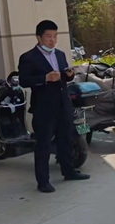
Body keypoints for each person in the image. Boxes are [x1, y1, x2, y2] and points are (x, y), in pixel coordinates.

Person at [19, 20, 90, 193]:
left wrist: (68, 75)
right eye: (48, 36)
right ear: (39, 37)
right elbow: (23, 81)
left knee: (65, 138)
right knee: (43, 144)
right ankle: (43, 181)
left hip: (63, 103)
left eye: (55, 36)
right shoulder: (28, 57)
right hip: (44, 107)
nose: (52, 40)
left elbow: (63, 79)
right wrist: (44, 78)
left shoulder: (59, 54)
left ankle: (68, 171)